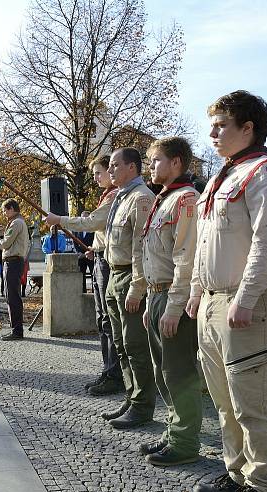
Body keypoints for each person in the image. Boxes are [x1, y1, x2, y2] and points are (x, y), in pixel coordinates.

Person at [185, 90, 267, 492]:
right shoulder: (219, 179)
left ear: (248, 127)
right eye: (211, 124)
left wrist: (245, 298)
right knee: (225, 403)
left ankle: (263, 490)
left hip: (248, 306)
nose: (212, 133)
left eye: (221, 125)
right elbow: (203, 246)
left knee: (253, 402)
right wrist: (196, 290)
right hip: (214, 305)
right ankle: (236, 473)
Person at [139, 136, 203, 467]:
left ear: (176, 162)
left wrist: (174, 306)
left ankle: (186, 441)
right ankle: (172, 431)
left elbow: (186, 259)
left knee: (178, 372)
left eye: (156, 160)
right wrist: (151, 299)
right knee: (162, 370)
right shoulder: (165, 199)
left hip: (171, 294)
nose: (151, 167)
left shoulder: (186, 200)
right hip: (157, 293)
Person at [46, 155, 121, 396]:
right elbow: (102, 231)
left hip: (108, 262)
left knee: (109, 320)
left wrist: (60, 219)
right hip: (99, 256)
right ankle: (108, 369)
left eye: (99, 172)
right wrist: (94, 248)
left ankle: (114, 373)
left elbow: (93, 222)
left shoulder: (115, 196)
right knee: (102, 320)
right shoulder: (108, 195)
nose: (96, 177)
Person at [101, 147, 156, 429]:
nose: (110, 170)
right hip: (114, 275)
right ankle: (131, 396)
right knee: (121, 344)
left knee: (135, 344)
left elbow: (140, 248)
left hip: (129, 278)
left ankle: (143, 405)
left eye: (114, 165)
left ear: (132, 167)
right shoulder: (121, 197)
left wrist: (138, 287)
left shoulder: (142, 198)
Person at [0, 198, 29, 340]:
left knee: (12, 296)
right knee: (11, 295)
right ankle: (15, 329)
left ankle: (17, 331)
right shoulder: (18, 222)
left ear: (11, 209)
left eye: (4, 210)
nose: (3, 213)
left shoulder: (16, 223)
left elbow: (5, 244)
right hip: (14, 261)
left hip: (13, 261)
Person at [73, 213, 95, 293]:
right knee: (81, 275)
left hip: (91, 256)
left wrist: (90, 252)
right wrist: (79, 252)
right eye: (83, 218)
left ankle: (94, 292)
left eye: (86, 218)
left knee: (94, 275)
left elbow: (95, 242)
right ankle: (83, 292)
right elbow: (75, 241)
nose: (84, 220)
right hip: (81, 257)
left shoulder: (93, 229)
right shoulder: (77, 229)